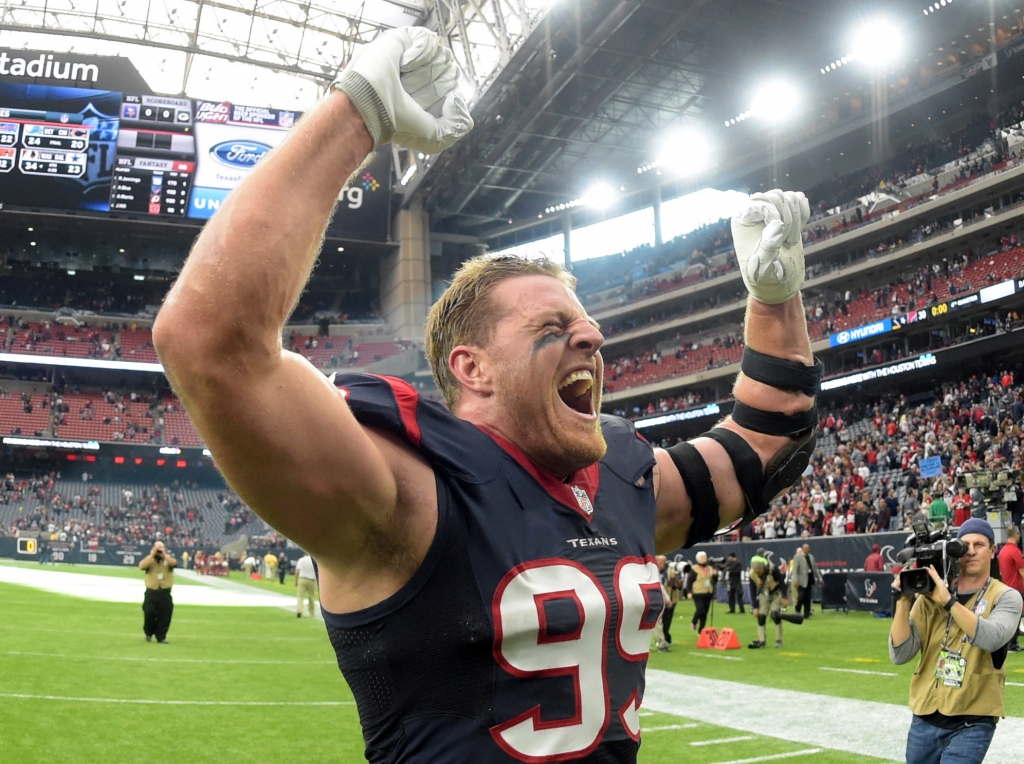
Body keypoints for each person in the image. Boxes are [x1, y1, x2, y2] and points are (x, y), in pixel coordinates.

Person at [153, 25, 819, 762]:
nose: (592, 340)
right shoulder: (407, 492)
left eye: (589, 324)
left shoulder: (621, 477)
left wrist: (774, 299)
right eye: (554, 326)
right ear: (472, 368)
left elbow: (768, 449)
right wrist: (358, 112)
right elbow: (209, 341)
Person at [890, 518, 1024, 764]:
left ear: (993, 551)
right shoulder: (930, 596)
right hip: (925, 716)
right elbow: (900, 654)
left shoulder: (1007, 596)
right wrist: (902, 600)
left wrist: (949, 602)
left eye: (979, 544)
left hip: (972, 719)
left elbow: (991, 638)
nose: (971, 551)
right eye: (964, 545)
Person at [749, 552, 788, 648]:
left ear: (762, 568)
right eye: (756, 573)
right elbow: (752, 591)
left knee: (775, 615)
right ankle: (762, 640)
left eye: (759, 573)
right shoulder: (752, 574)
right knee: (761, 616)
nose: (758, 575)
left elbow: (782, 582)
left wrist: (784, 596)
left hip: (776, 593)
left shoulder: (773, 569)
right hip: (764, 594)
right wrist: (755, 607)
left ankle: (778, 639)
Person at [139, 541, 176, 643]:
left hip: (165, 591)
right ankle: (148, 633)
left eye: (161, 549)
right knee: (149, 612)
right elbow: (142, 566)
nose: (159, 552)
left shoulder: (167, 559)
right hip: (152, 591)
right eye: (158, 549)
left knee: (165, 614)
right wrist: (152, 554)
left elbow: (174, 563)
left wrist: (164, 555)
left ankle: (161, 636)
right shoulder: (149, 559)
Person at [997, 525, 1023, 652]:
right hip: (1017, 588)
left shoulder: (1002, 551)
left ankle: (1011, 642)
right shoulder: (1015, 551)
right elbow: (1022, 570)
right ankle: (1012, 643)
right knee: (1017, 616)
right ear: (1016, 534)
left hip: (1006, 587)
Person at [688, 551, 716, 634]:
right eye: (702, 557)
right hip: (698, 592)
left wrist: (715, 575)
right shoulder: (694, 569)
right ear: (698, 559)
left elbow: (714, 581)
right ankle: (694, 621)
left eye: (705, 557)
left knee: (705, 613)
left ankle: (701, 630)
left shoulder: (710, 568)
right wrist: (689, 591)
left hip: (708, 592)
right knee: (700, 610)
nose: (704, 559)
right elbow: (690, 581)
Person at [790, 543, 822, 618]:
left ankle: (806, 614)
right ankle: (797, 611)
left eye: (808, 548)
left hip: (809, 579)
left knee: (808, 598)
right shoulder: (798, 557)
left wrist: (819, 578)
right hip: (801, 581)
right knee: (801, 597)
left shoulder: (811, 557)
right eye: (805, 548)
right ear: (803, 549)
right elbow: (795, 570)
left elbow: (815, 568)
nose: (807, 550)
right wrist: (796, 580)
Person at [294, 553, 317, 618]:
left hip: (302, 578)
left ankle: (300, 610)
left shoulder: (301, 560)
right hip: (312, 580)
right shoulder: (314, 560)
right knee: (311, 596)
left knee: (300, 596)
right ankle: (312, 613)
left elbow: (297, 571)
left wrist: (296, 580)